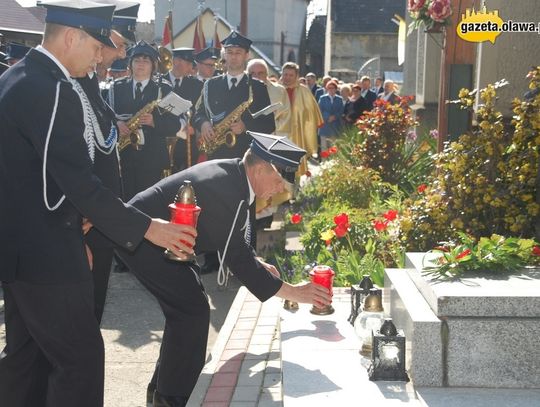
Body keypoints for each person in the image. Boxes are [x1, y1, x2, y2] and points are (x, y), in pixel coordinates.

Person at [0, 2, 195, 406]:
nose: (100, 55)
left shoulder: (18, 77)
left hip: (19, 250)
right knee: (80, 362)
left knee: (25, 358)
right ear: (72, 36)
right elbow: (76, 182)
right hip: (48, 252)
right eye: (96, 44)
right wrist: (149, 228)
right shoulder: (53, 89)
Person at [116, 132, 332, 407]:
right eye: (278, 180)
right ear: (260, 167)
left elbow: (235, 239)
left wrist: (257, 261)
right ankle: (172, 397)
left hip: (164, 241)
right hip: (144, 238)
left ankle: (164, 391)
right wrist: (296, 293)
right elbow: (238, 260)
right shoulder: (228, 188)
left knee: (187, 310)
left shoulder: (237, 178)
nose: (280, 189)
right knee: (190, 310)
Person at [78, 0, 140, 324]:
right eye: (119, 46)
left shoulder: (90, 85)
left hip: (98, 220)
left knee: (92, 313)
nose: (120, 55)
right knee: (81, 318)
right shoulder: (74, 86)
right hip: (86, 222)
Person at [193, 31, 275, 274]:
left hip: (245, 157)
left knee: (244, 207)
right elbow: (198, 113)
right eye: (229, 52)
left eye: (238, 52)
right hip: (216, 155)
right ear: (223, 55)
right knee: (212, 205)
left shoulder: (257, 88)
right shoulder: (210, 85)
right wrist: (203, 124)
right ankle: (211, 258)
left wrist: (245, 126)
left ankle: (245, 259)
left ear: (247, 56)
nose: (233, 57)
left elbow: (269, 124)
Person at [110, 40, 182, 200]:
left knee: (149, 205)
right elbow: (103, 116)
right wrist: (116, 123)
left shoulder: (165, 89)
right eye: (136, 60)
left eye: (145, 60)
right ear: (130, 64)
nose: (140, 64)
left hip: (152, 161)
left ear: (153, 65)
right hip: (123, 158)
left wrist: (154, 122)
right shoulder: (115, 88)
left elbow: (175, 124)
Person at [279, 61, 323, 177]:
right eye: (285, 74)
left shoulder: (304, 91)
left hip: (297, 134)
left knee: (295, 167)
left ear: (296, 76)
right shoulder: (275, 90)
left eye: (291, 75)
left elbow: (312, 112)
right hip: (278, 134)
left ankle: (294, 190)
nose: (287, 78)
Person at [167, 47, 203, 170]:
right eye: (187, 64)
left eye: (190, 64)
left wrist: (194, 126)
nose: (190, 68)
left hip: (187, 143)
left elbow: (199, 109)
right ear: (176, 61)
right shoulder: (159, 82)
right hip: (164, 141)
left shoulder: (196, 85)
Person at [318, 80, 344, 149]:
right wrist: (328, 117)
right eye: (329, 88)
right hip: (324, 126)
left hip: (335, 127)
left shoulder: (339, 99)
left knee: (333, 148)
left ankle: (332, 160)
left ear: (336, 89)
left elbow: (341, 111)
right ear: (327, 89)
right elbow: (320, 110)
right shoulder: (322, 98)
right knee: (324, 147)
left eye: (332, 88)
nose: (331, 89)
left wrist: (334, 117)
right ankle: (324, 160)